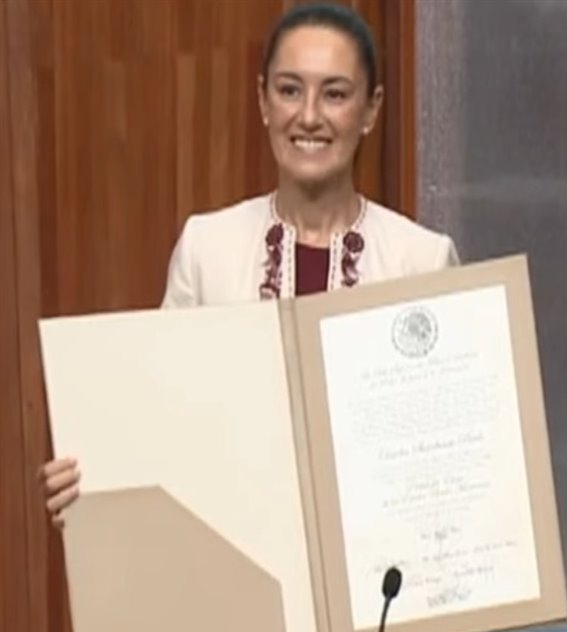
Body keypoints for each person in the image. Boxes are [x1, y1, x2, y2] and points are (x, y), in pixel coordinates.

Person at [40, 2, 459, 526]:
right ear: (262, 100)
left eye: (335, 93)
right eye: (289, 89)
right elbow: (162, 420)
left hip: (377, 575)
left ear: (371, 109)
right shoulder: (205, 248)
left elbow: (448, 456)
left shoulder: (424, 259)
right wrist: (92, 493)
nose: (308, 115)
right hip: (235, 565)